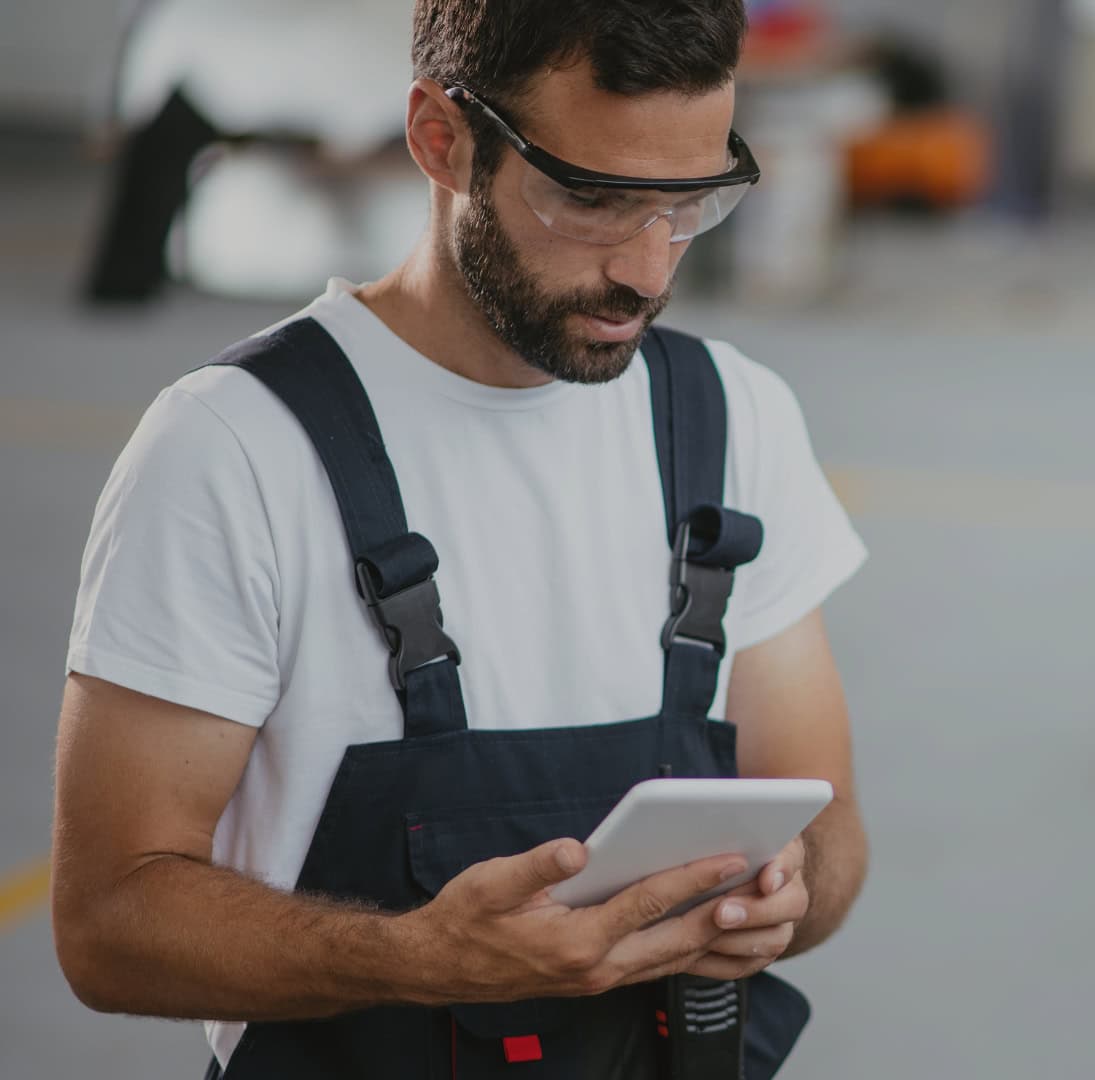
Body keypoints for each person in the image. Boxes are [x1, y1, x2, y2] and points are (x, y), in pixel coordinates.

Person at [49, 1, 868, 1077]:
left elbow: (831, 822)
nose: (649, 271)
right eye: (590, 198)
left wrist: (790, 896)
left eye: (691, 203)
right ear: (442, 138)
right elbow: (110, 923)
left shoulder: (733, 419)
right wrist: (414, 959)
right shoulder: (234, 450)